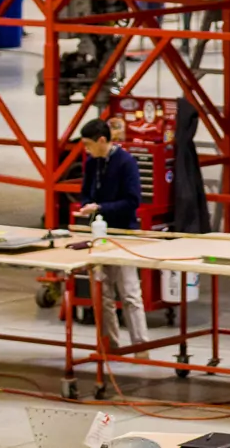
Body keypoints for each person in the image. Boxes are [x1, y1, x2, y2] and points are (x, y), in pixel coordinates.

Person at [74, 119, 149, 349]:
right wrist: (89, 205)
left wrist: (101, 208)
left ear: (102, 140)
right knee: (102, 293)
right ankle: (110, 345)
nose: (86, 150)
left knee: (129, 292)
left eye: (88, 144)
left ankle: (140, 346)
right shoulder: (91, 163)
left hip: (123, 232)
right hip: (99, 233)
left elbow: (132, 201)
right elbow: (86, 192)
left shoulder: (126, 163)